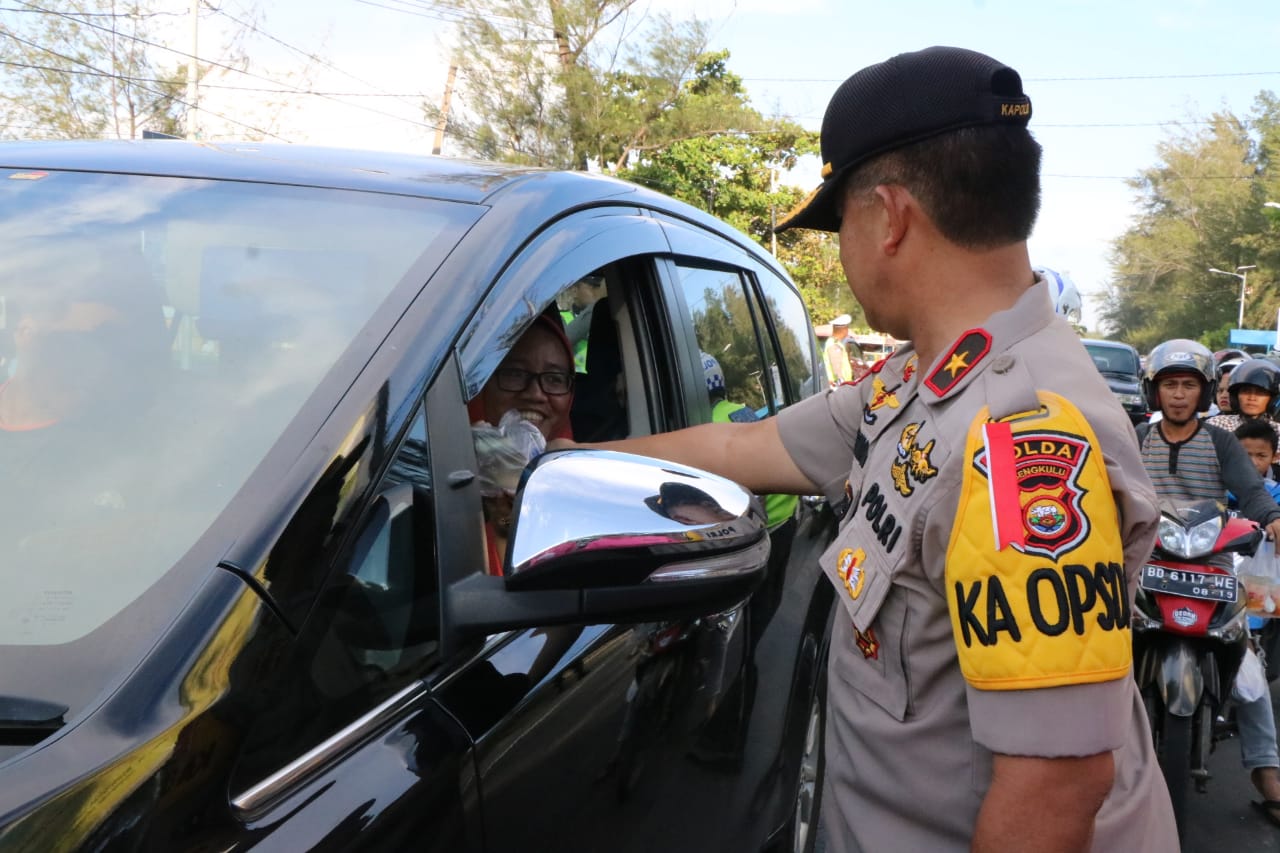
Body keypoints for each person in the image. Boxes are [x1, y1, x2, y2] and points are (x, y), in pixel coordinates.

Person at [553, 46, 1176, 850]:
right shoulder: (925, 380)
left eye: (839, 220)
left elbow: (1056, 787)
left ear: (888, 217)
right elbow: (750, 443)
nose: (842, 249)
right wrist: (564, 460)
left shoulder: (1023, 439)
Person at [1135, 338, 1280, 821]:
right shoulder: (1137, 438)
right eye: (1170, 385)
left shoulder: (1219, 441)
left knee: (1248, 665)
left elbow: (1252, 490)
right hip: (1142, 561)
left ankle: (1265, 769)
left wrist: (1273, 518)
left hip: (1210, 564)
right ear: (1154, 392)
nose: (1179, 394)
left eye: (1188, 385)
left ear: (1203, 392)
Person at [468, 310, 575, 573]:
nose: (536, 394)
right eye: (515, 373)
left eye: (554, 379)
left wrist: (560, 457)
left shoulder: (581, 486)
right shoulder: (433, 470)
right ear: (483, 384)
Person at [701, 351, 798, 528]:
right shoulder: (738, 411)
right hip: (786, 508)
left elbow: (752, 492)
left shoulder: (704, 426)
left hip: (769, 521)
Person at [1208, 357, 1280, 438]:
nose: (1252, 398)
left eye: (1260, 393)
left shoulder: (1277, 431)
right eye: (1246, 391)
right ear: (1235, 397)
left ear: (1272, 399)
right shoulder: (1217, 424)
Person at [823, 313, 854, 385]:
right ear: (843, 330)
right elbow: (836, 366)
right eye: (847, 328)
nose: (847, 331)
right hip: (837, 384)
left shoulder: (835, 343)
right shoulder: (834, 344)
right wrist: (842, 383)